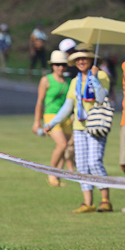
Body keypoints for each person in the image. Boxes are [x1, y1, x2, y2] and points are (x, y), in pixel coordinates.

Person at [44, 44, 113, 213]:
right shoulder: (75, 81)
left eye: (85, 58)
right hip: (79, 127)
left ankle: (105, 200)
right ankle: (88, 203)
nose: (81, 61)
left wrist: (94, 78)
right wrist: (51, 123)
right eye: (78, 59)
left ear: (91, 59)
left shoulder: (101, 75)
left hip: (96, 126)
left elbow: (103, 97)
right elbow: (68, 107)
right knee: (81, 166)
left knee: (94, 163)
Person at [32, 50, 74, 187]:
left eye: (62, 64)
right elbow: (39, 101)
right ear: (52, 65)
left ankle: (57, 177)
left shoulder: (69, 81)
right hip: (50, 116)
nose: (60, 67)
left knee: (65, 147)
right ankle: (51, 173)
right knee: (61, 144)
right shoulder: (46, 79)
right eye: (57, 64)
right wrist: (36, 121)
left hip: (65, 116)